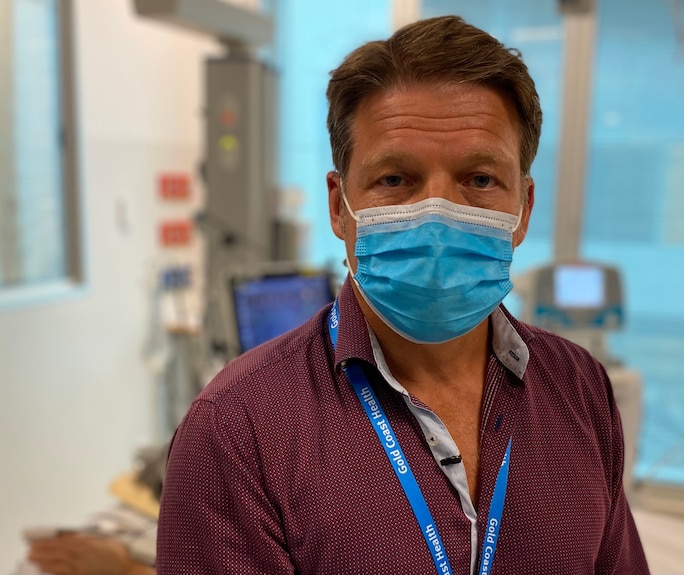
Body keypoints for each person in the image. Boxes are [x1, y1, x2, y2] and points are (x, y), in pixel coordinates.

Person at [156, 15, 649, 575]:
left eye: (480, 180)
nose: (437, 213)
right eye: (395, 179)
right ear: (341, 207)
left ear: (524, 209)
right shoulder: (239, 430)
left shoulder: (580, 390)